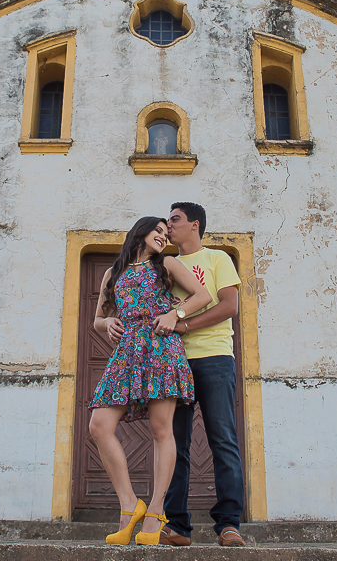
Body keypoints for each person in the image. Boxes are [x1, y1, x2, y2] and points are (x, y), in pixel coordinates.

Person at [88, 216, 213, 546]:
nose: (163, 236)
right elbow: (99, 318)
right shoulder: (112, 274)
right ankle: (130, 505)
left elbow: (202, 296)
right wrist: (107, 324)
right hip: (127, 350)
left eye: (165, 232)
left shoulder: (167, 265)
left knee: (161, 430)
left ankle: (156, 511)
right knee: (99, 425)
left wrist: (176, 314)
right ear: (139, 233)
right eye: (157, 231)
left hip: (160, 348)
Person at [160, 202, 247, 548]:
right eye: (168, 220)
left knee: (223, 440)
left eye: (175, 219)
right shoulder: (165, 264)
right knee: (174, 444)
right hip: (174, 361)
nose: (169, 225)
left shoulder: (217, 259)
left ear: (195, 225)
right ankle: (177, 526)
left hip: (214, 358)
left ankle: (229, 525)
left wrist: (184, 324)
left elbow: (229, 305)